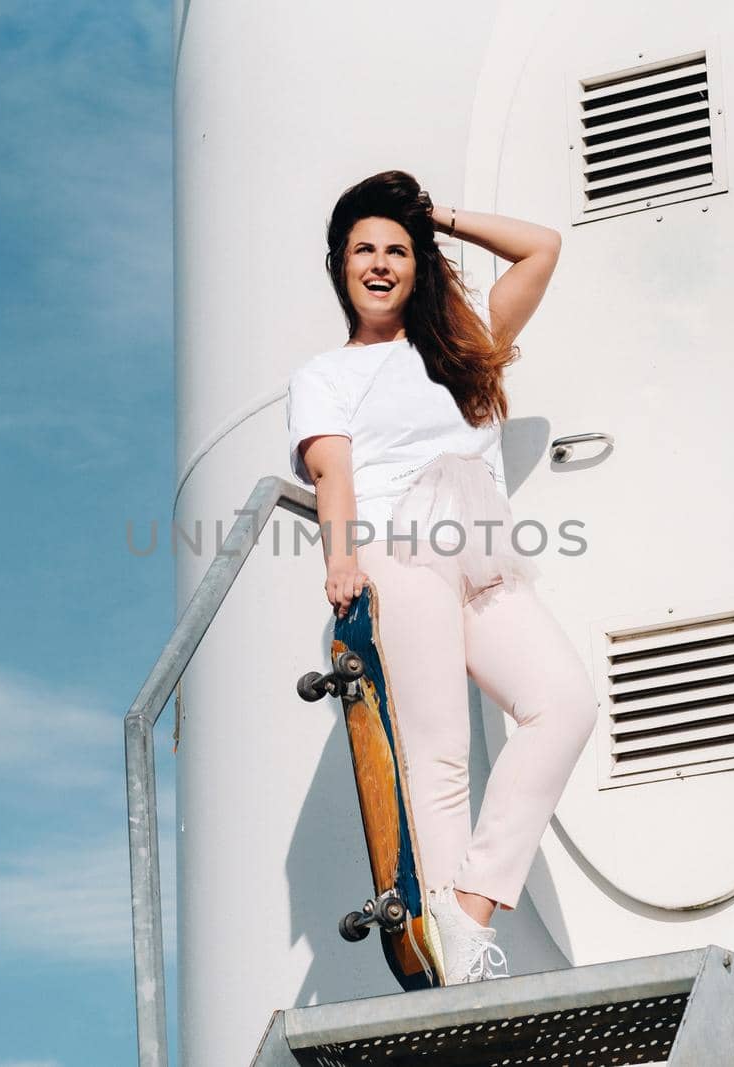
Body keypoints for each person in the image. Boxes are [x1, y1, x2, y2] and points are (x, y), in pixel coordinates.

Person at [285, 170, 598, 985]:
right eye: (364, 250)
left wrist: (439, 219)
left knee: (563, 702)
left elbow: (543, 247)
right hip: (396, 551)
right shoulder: (326, 374)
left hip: (480, 552)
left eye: (396, 250)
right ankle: (453, 956)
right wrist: (342, 560)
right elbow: (334, 476)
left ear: (418, 263)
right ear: (339, 266)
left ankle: (470, 906)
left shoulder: (461, 343)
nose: (381, 263)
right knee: (441, 750)